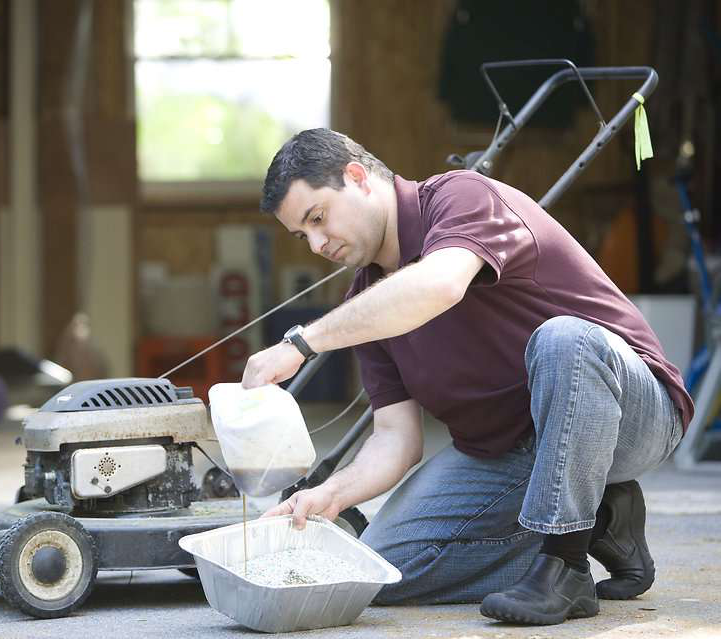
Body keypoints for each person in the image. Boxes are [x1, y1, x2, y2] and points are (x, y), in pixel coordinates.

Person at [242, 128, 693, 626]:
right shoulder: (365, 308)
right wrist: (331, 494)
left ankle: (565, 565)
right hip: (508, 449)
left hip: (629, 414)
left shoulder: (462, 196)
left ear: (358, 177)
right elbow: (396, 440)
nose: (318, 244)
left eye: (318, 218)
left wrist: (302, 343)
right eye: (303, 235)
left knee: (565, 340)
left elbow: (439, 284)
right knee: (380, 571)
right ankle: (602, 518)